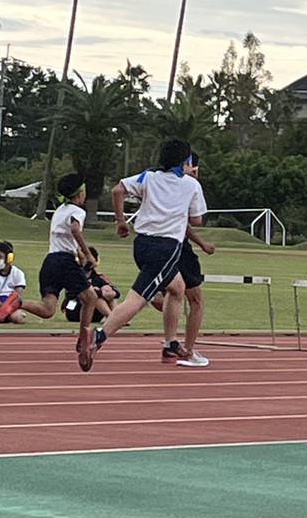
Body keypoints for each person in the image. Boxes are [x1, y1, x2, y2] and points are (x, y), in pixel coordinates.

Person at [79, 140, 208, 372]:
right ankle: (98, 336)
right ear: (186, 162)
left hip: (142, 244)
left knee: (177, 288)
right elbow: (197, 219)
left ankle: (170, 344)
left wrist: (120, 221)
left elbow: (118, 189)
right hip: (165, 248)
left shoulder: (148, 176)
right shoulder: (190, 185)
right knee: (137, 299)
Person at [17, 174, 102, 345]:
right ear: (80, 194)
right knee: (91, 298)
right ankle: (83, 340)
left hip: (50, 261)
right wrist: (88, 253)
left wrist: (79, 253)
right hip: (65, 262)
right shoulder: (78, 211)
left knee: (47, 309)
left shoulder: (60, 211)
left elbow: (63, 237)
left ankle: (18, 302)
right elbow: (75, 230)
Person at [150, 153, 215, 367]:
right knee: (195, 299)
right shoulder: (187, 186)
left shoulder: (157, 182)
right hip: (178, 246)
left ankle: (171, 344)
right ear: (188, 166)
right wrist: (202, 243)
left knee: (166, 293)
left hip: (155, 245)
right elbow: (192, 221)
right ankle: (187, 349)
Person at [63, 245, 120, 323]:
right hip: (74, 310)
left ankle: (117, 317)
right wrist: (100, 292)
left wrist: (111, 293)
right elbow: (74, 294)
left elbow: (117, 292)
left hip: (93, 313)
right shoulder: (74, 275)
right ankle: (112, 318)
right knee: (93, 294)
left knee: (107, 289)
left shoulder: (98, 276)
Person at [0, 241, 27, 324]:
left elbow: (17, 293)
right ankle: (5, 317)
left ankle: (9, 316)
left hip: (12, 302)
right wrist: (1, 306)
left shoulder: (18, 273)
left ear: (9, 257)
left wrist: (8, 306)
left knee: (18, 318)